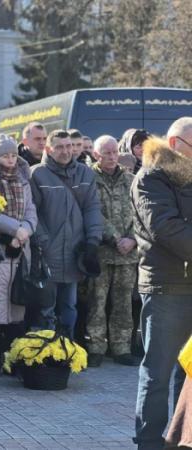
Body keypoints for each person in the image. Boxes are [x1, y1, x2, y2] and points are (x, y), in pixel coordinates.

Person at [132, 119, 192, 450]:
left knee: (190, 375)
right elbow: (166, 228)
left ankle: (181, 439)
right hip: (166, 288)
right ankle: (148, 442)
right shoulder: (150, 178)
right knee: (158, 374)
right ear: (174, 144)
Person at [29, 129, 103, 338]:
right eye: (59, 147)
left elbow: (93, 209)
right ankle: (46, 354)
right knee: (45, 308)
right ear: (49, 149)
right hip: (47, 252)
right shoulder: (36, 174)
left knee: (70, 306)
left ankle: (68, 351)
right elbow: (33, 212)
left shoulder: (85, 173)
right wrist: (42, 241)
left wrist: (92, 243)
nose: (65, 151)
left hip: (74, 251)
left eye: (69, 146)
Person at [0, 134, 38, 376]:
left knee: (17, 304)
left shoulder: (24, 177)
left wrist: (26, 230)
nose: (10, 160)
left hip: (22, 246)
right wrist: (15, 229)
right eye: (5, 155)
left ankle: (14, 359)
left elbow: (31, 209)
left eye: (13, 155)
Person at [86, 136, 139, 368]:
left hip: (128, 254)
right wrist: (115, 238)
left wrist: (133, 240)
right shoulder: (89, 179)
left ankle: (121, 347)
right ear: (96, 155)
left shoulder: (132, 179)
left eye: (114, 152)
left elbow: (143, 213)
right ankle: (96, 347)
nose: (111, 156)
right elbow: (92, 212)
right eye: (106, 153)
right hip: (102, 251)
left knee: (124, 302)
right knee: (96, 301)